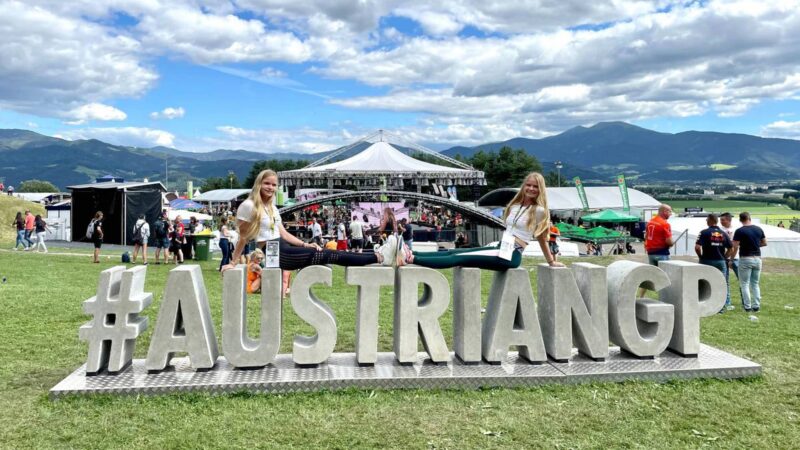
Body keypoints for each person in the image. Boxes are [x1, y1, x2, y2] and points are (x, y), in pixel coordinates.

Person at [222, 169, 388, 274]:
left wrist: (304, 244)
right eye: (266, 183)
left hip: (283, 246)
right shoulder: (249, 206)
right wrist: (233, 262)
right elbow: (243, 237)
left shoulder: (271, 207)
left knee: (330, 254)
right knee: (331, 255)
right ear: (258, 184)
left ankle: (379, 256)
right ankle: (379, 256)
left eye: (273, 185)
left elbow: (284, 234)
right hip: (276, 253)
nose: (270, 187)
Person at [402, 172, 565, 270]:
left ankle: (411, 258)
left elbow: (543, 238)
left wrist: (551, 261)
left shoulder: (540, 211)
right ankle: (412, 253)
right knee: (454, 252)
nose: (531, 189)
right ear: (524, 186)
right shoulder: (515, 205)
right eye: (528, 185)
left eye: (535, 186)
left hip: (511, 254)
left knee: (460, 258)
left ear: (540, 189)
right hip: (502, 246)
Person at [729, 212, 766, 313]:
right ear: (750, 218)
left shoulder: (740, 231)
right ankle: (756, 305)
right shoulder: (759, 229)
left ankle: (747, 306)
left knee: (744, 283)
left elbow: (735, 246)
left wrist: (731, 259)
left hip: (745, 258)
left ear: (740, 220)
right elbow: (764, 243)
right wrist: (755, 245)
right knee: (755, 283)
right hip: (757, 258)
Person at [694, 214, 731, 313]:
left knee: (703, 282)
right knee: (722, 283)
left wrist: (701, 257)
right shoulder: (723, 233)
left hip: (706, 260)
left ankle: (702, 305)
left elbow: (697, 247)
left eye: (707, 219)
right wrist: (724, 257)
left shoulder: (703, 232)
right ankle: (721, 308)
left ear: (710, 220)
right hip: (720, 261)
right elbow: (731, 248)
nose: (706, 221)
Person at [639, 204, 674, 297]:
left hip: (651, 252)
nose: (671, 214)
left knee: (650, 274)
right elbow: (669, 241)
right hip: (662, 253)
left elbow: (646, 237)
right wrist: (672, 243)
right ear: (664, 211)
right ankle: (665, 298)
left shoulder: (650, 222)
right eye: (670, 211)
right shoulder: (665, 224)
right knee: (665, 277)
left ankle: (641, 296)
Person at [719, 212, 740, 310]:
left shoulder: (736, 230)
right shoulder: (719, 230)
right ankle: (727, 302)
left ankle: (746, 302)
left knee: (742, 280)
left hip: (736, 257)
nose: (721, 222)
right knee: (725, 281)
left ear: (728, 220)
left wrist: (731, 258)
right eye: (720, 220)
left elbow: (736, 245)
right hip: (724, 258)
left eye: (723, 220)